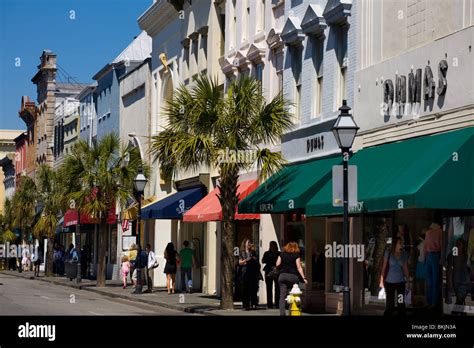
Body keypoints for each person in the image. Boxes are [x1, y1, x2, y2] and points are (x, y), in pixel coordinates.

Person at [276, 241, 308, 316]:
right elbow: (299, 267)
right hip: (293, 277)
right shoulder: (296, 255)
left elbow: (277, 264)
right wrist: (304, 278)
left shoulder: (282, 254)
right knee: (293, 295)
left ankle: (282, 314)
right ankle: (291, 312)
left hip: (282, 276)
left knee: (282, 296)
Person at [380, 237, 410, 316]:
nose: (402, 245)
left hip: (400, 282)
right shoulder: (388, 253)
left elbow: (405, 268)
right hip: (389, 282)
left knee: (400, 303)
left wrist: (408, 281)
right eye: (400, 243)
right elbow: (384, 267)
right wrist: (381, 280)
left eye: (402, 243)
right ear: (395, 244)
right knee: (390, 303)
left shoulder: (404, 254)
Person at [447, 238, 470, 314]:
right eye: (457, 244)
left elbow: (469, 268)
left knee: (460, 299)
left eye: (460, 244)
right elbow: (449, 269)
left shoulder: (466, 255)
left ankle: (455, 312)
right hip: (456, 279)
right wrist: (449, 281)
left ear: (463, 246)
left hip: (465, 280)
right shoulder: (453, 255)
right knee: (460, 299)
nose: (458, 245)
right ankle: (462, 313)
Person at [424, 223, 442, 308]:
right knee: (435, 280)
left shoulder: (427, 232)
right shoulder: (440, 232)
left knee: (429, 280)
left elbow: (425, 246)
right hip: (436, 255)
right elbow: (442, 245)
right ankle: (434, 303)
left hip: (429, 255)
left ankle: (429, 301)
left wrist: (425, 257)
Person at [262, 241, 280, 309]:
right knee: (269, 288)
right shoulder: (267, 253)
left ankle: (277, 303)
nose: (272, 247)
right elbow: (263, 261)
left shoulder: (278, 253)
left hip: (276, 271)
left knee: (277, 288)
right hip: (268, 271)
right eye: (271, 245)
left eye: (273, 245)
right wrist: (268, 259)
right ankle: (269, 304)